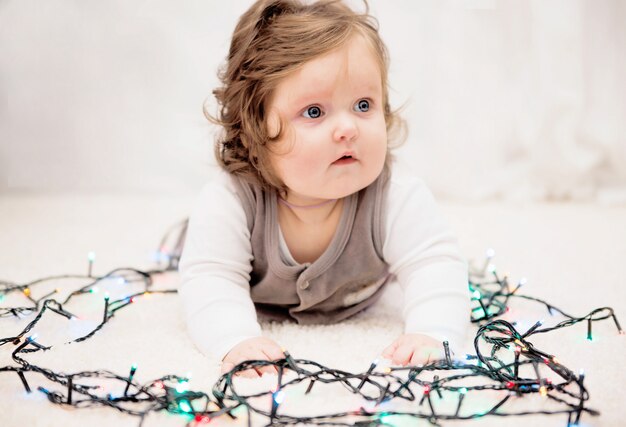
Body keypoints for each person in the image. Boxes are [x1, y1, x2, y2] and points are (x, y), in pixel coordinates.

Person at [179, 0, 469, 377]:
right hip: (232, 259)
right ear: (254, 130)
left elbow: (434, 264)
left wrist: (433, 331)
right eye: (314, 112)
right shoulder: (232, 200)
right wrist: (235, 338)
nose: (347, 128)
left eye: (364, 104)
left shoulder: (394, 195)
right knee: (197, 247)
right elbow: (210, 278)